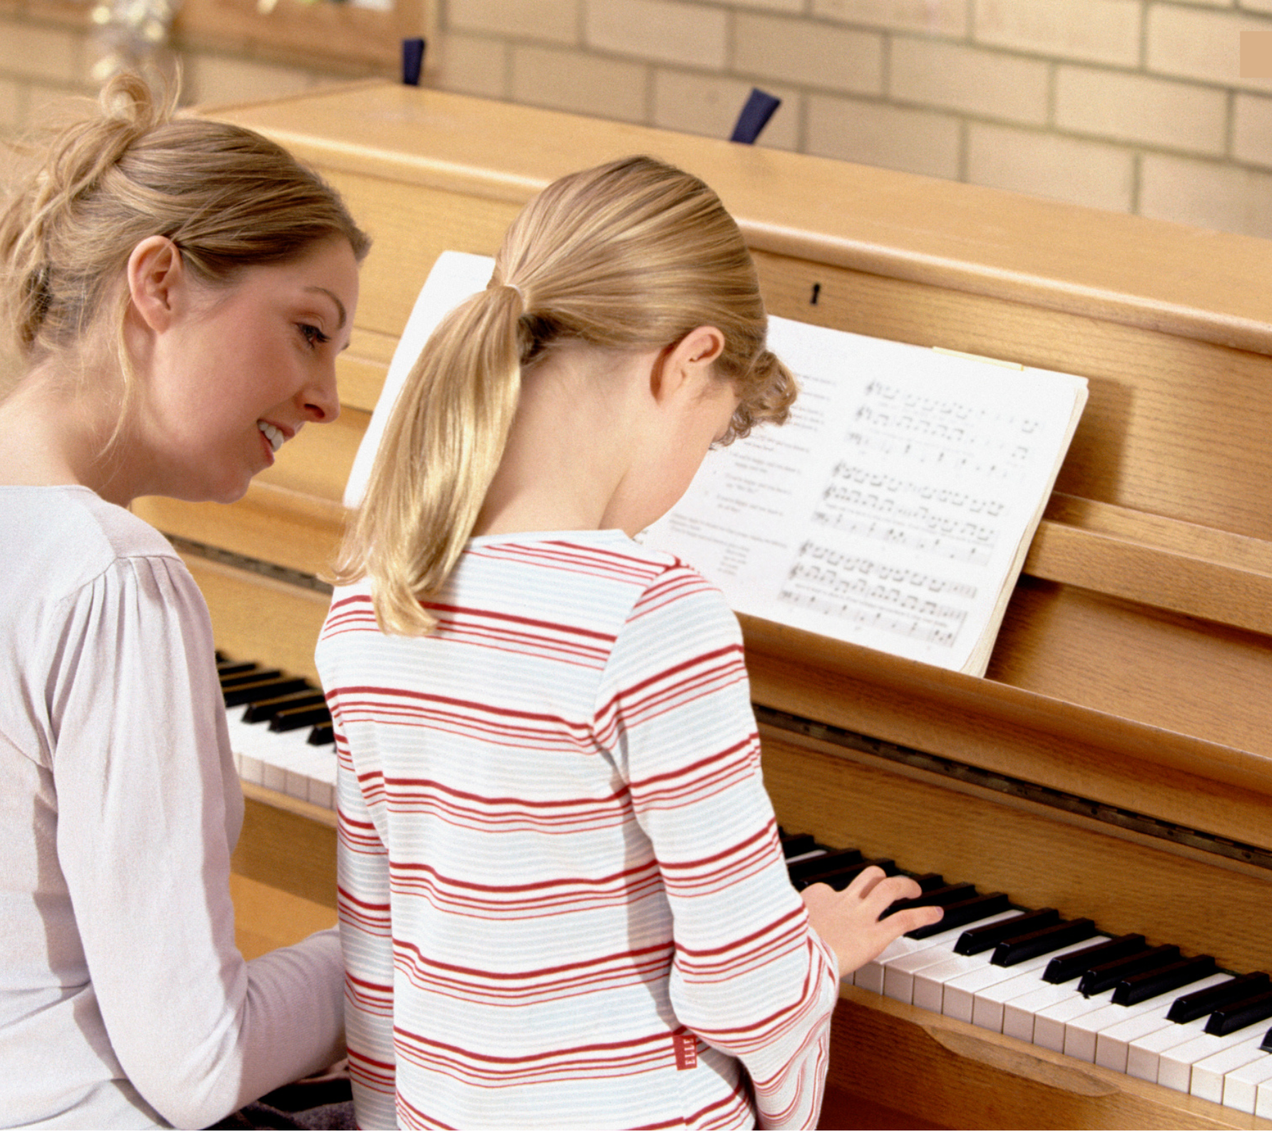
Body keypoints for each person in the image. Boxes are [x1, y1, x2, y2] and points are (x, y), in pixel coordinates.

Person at [0, 71, 368, 1130]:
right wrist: (397, 939)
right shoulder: (108, 575)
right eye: (308, 331)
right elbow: (198, 1067)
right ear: (159, 282)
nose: (328, 399)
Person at [317, 155, 943, 1129]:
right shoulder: (653, 614)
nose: (696, 467)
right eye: (715, 432)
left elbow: (373, 949)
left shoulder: (367, 601)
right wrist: (816, 947)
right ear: (685, 362)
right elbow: (743, 988)